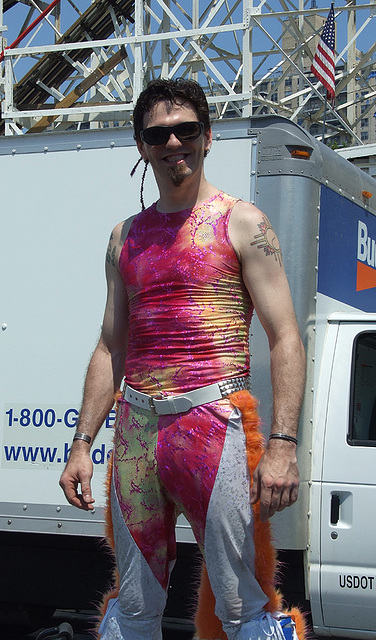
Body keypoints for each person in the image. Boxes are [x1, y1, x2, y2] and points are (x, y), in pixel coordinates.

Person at [59, 78, 306, 640]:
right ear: (141, 146)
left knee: (245, 608)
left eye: (185, 130)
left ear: (208, 137)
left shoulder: (243, 223)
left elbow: (285, 337)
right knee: (134, 607)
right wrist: (81, 445)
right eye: (158, 134)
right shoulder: (125, 237)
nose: (173, 143)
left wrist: (283, 446)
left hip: (212, 423)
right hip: (138, 430)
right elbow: (109, 346)